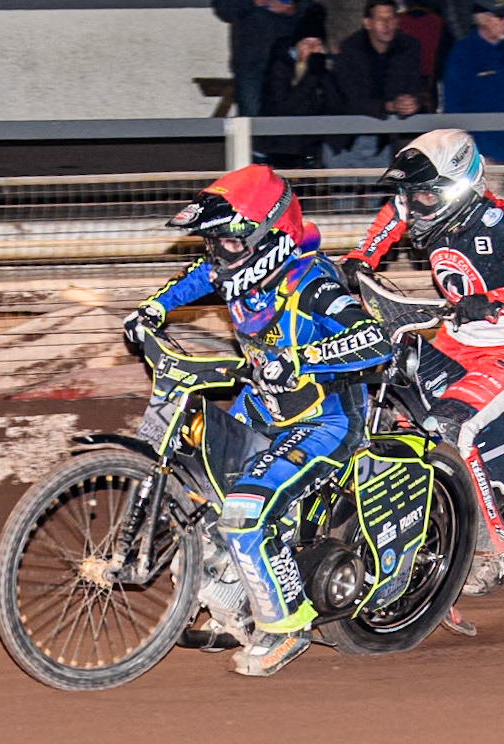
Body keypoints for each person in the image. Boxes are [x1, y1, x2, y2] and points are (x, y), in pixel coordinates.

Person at [123, 165, 391, 677]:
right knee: (199, 485)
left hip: (326, 419)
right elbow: (191, 281)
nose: (217, 252)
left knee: (246, 507)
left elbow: (373, 340)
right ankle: (232, 606)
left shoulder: (312, 284)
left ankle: (286, 627)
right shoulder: (230, 270)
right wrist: (150, 311)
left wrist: (301, 359)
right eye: (214, 241)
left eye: (228, 241)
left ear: (267, 236)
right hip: (265, 405)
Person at [340, 129, 504, 597]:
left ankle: (489, 551)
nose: (416, 204)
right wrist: (359, 259)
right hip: (453, 338)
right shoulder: (413, 206)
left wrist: (496, 299)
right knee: (395, 400)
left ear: (460, 187)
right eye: (413, 193)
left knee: (451, 427)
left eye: (427, 194)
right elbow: (390, 217)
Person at [441, 0, 504, 166]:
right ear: (481, 18)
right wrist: (471, 150)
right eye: (500, 17)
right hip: (482, 155)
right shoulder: (463, 53)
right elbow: (454, 104)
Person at [323, 0, 422, 171]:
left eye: (391, 19)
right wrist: (389, 105)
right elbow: (349, 98)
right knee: (342, 193)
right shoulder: (349, 50)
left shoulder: (408, 47)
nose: (387, 25)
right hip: (344, 138)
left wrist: (411, 101)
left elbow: (414, 85)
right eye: (380, 19)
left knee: (376, 193)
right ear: (367, 23)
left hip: (382, 138)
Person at [259, 3, 336, 167]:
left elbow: (333, 102)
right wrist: (311, 76)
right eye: (307, 44)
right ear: (297, 45)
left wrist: (323, 74)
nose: (313, 50)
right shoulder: (280, 66)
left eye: (317, 45)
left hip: (310, 144)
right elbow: (285, 106)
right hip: (279, 144)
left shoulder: (322, 69)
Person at [213, 0, 312, 119]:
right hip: (250, 62)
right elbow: (223, 9)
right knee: (251, 121)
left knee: (292, 118)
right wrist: (253, 2)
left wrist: (293, 9)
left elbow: (312, 8)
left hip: (289, 60)